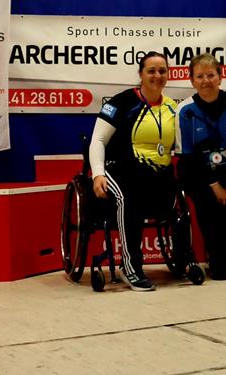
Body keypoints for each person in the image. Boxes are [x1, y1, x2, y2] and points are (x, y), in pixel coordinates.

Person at [89, 51, 178, 291]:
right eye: (151, 71)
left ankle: (183, 259)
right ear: (141, 74)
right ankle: (130, 268)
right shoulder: (120, 103)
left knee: (176, 195)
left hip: (154, 173)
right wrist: (97, 173)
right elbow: (98, 140)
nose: (157, 75)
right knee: (128, 200)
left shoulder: (172, 107)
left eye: (162, 71)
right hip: (118, 168)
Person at [175, 53, 226, 280]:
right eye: (199, 76)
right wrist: (215, 186)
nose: (206, 81)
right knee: (210, 210)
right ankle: (219, 261)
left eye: (210, 75)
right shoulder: (185, 110)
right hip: (197, 175)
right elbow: (188, 159)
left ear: (220, 77)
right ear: (192, 81)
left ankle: (218, 252)